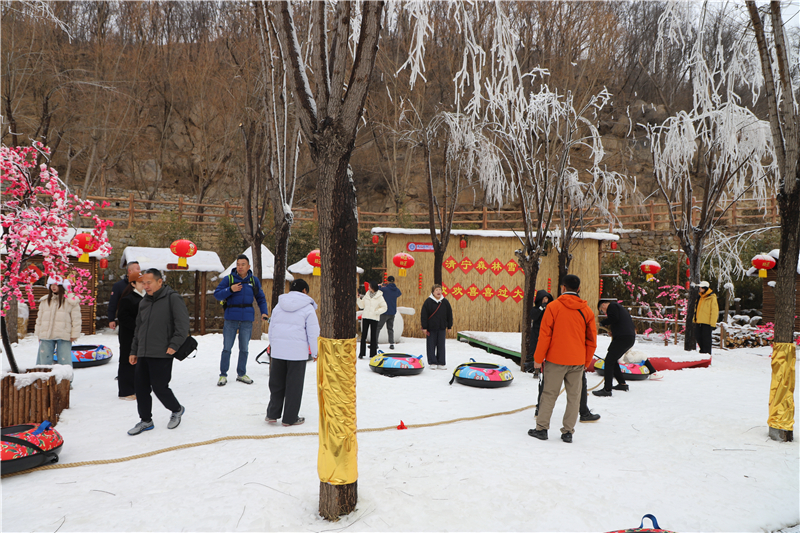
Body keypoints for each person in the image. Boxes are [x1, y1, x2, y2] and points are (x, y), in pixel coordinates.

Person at [529, 274, 597, 443]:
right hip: (577, 361)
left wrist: (538, 358)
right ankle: (568, 432)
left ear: (563, 288)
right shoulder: (587, 310)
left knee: (549, 394)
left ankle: (542, 429)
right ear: (578, 289)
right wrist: (586, 362)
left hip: (555, 359)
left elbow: (545, 335)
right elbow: (591, 340)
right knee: (574, 397)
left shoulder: (553, 307)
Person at [127, 269, 189, 436]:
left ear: (159, 282)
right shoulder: (144, 302)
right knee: (141, 388)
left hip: (163, 351)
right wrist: (134, 350)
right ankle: (146, 420)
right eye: (143, 283)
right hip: (143, 352)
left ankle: (176, 409)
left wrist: (174, 345)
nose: (145, 286)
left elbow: (183, 325)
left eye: (149, 283)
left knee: (160, 387)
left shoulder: (172, 298)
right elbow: (139, 329)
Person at [266, 279, 320, 427]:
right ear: (304, 291)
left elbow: (271, 328)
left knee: (276, 383)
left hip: (278, 351)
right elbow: (313, 333)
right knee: (294, 386)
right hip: (297, 353)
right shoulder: (308, 308)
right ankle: (289, 418)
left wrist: (273, 346)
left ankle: (272, 413)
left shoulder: (279, 305)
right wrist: (315, 352)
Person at [213, 255, 269, 386]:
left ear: (248, 266)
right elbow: (217, 294)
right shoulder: (229, 279)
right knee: (227, 348)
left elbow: (260, 297)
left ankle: (241, 374)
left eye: (243, 264)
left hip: (247, 320)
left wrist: (264, 312)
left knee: (244, 348)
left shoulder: (253, 280)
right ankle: (223, 375)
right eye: (238, 264)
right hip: (231, 318)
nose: (240, 267)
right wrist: (230, 289)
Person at [34, 277, 81, 385]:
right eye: (51, 285)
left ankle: (66, 383)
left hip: (64, 334)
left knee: (64, 360)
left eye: (56, 284)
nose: (53, 287)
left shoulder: (70, 301)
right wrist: (39, 333)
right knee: (44, 359)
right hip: (46, 334)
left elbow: (76, 319)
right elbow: (39, 318)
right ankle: (42, 381)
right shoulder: (45, 301)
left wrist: (74, 334)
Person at [593, 299, 637, 397]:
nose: (604, 313)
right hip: (628, 338)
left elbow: (613, 318)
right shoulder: (619, 308)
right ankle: (622, 384)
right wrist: (614, 332)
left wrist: (602, 323)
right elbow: (620, 322)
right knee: (612, 360)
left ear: (603, 305)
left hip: (623, 338)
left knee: (609, 361)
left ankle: (607, 389)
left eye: (601, 310)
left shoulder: (612, 306)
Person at [116, 271, 145, 400]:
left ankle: (138, 387)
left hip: (141, 336)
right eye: (140, 282)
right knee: (127, 362)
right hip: (129, 336)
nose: (143, 284)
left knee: (140, 362)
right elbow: (123, 317)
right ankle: (126, 391)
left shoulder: (145, 297)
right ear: (133, 284)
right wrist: (137, 327)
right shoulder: (128, 299)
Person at [420, 284, 453, 370]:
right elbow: (424, 315)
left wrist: (449, 326)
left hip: (442, 327)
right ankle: (432, 362)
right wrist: (424, 327)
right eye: (436, 290)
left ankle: (441, 362)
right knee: (431, 345)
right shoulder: (428, 302)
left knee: (441, 345)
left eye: (440, 290)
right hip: (431, 328)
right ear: (433, 292)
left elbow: (449, 314)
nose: (438, 291)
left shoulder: (445, 302)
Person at [357, 281, 387, 359]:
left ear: (373, 287)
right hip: (366, 317)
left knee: (373, 336)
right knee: (363, 336)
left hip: (374, 318)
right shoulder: (367, 295)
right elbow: (362, 306)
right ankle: (361, 353)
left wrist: (376, 312)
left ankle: (373, 354)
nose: (368, 287)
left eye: (370, 286)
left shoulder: (379, 297)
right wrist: (358, 299)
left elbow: (384, 307)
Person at [108, 261, 140, 330]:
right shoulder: (119, 285)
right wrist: (111, 319)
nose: (140, 271)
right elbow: (113, 303)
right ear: (130, 270)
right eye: (137, 269)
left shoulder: (143, 284)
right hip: (125, 321)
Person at [694, 281, 719, 355]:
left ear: (705, 288)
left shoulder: (712, 297)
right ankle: (702, 351)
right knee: (698, 336)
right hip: (699, 321)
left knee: (706, 339)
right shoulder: (700, 296)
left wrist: (712, 323)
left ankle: (707, 353)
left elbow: (714, 310)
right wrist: (695, 318)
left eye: (701, 287)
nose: (700, 288)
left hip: (707, 322)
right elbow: (696, 308)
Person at [377, 276, 402, 350]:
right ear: (394, 281)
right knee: (390, 328)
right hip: (392, 312)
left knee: (378, 328)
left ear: (387, 281)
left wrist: (380, 286)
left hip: (384, 312)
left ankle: (375, 343)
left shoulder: (384, 289)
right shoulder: (396, 290)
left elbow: (377, 291)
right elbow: (399, 293)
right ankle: (391, 344)